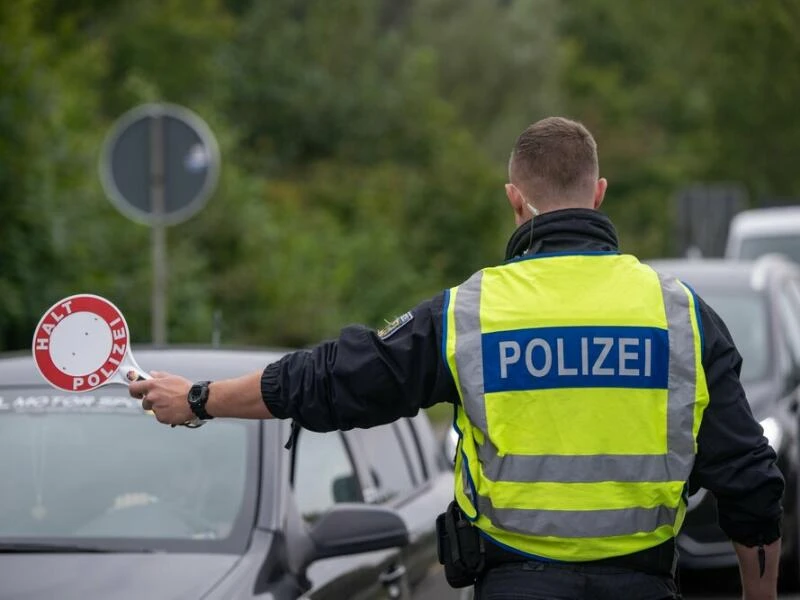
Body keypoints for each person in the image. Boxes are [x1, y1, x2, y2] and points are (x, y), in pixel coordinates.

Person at [129, 117, 784, 600]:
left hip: (515, 588)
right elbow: (750, 480)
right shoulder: (681, 315)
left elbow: (335, 379)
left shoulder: (471, 313)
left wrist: (198, 399)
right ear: (599, 192)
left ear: (515, 198)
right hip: (642, 587)